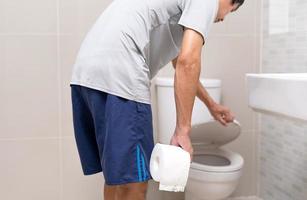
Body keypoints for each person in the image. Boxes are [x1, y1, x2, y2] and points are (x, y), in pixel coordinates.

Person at [70, 0, 244, 199]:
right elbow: (188, 62)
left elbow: (179, 60)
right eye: (230, 11)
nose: (221, 19)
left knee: (118, 177)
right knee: (135, 182)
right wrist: (183, 130)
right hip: (121, 73)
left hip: (87, 74)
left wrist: (211, 105)